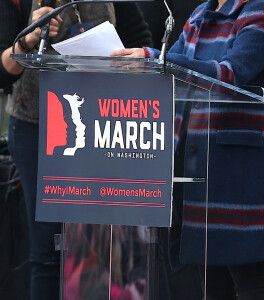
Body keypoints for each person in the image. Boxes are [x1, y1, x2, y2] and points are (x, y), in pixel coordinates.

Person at [111, 0, 264, 299]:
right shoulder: (199, 14)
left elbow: (229, 75)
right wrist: (146, 65)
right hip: (200, 168)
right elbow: (171, 66)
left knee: (252, 281)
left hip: (242, 172)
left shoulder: (261, 16)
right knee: (212, 283)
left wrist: (153, 57)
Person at [0, 0, 152, 299]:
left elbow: (143, 46)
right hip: (38, 128)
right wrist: (28, 39)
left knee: (100, 251)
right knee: (47, 250)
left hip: (101, 130)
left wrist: (131, 61)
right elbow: (3, 71)